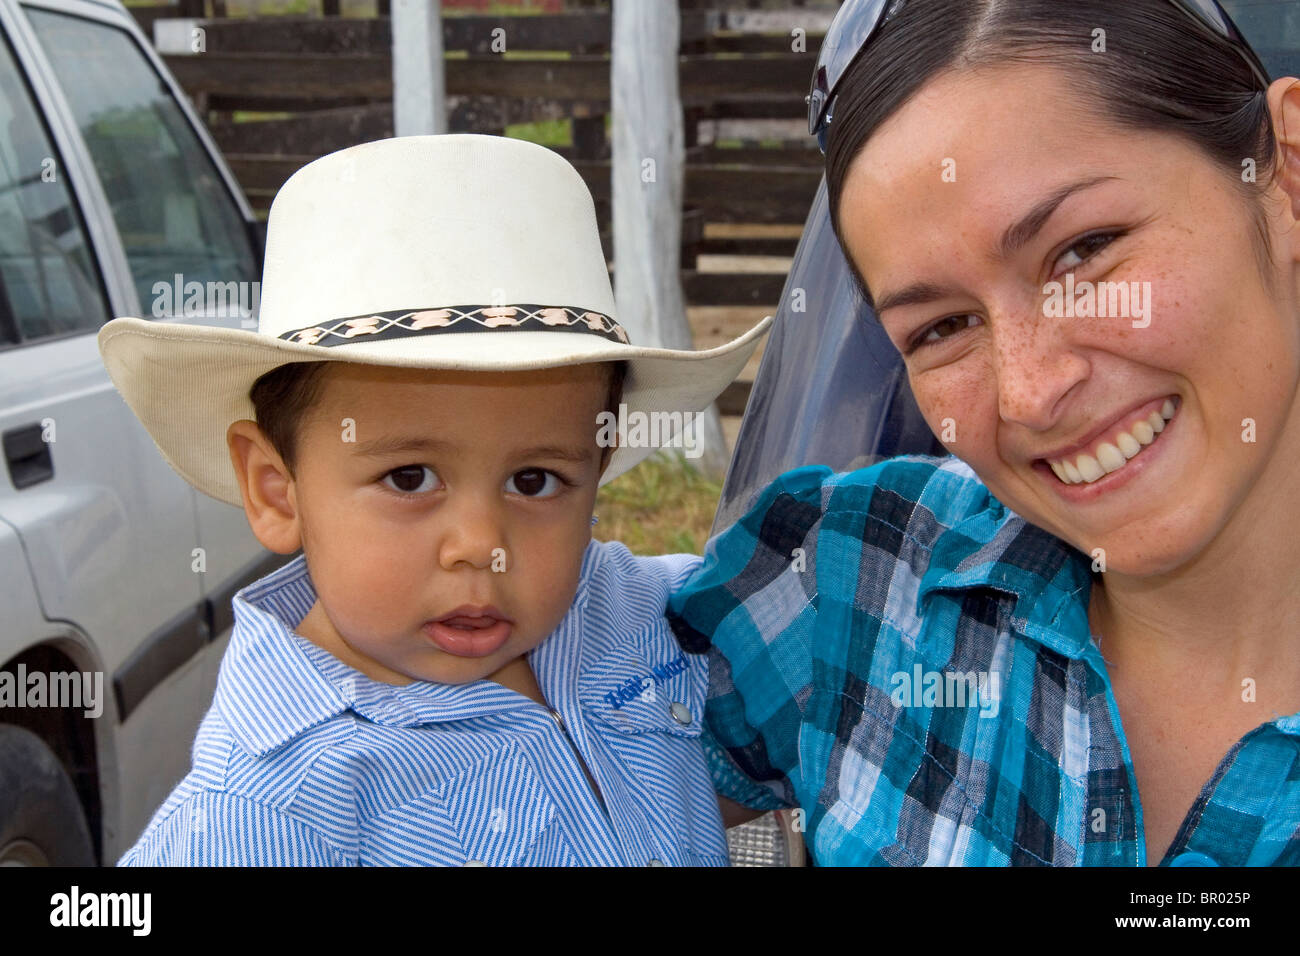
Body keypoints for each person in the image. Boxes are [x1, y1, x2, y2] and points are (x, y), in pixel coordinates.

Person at [668, 0, 1300, 865]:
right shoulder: (858, 578)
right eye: (941, 328)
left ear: (1288, 171)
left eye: (1084, 250)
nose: (1032, 394)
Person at [100, 134, 769, 865]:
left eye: (536, 480)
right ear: (275, 489)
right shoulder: (264, 815)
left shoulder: (631, 611)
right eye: (410, 478)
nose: (482, 543)